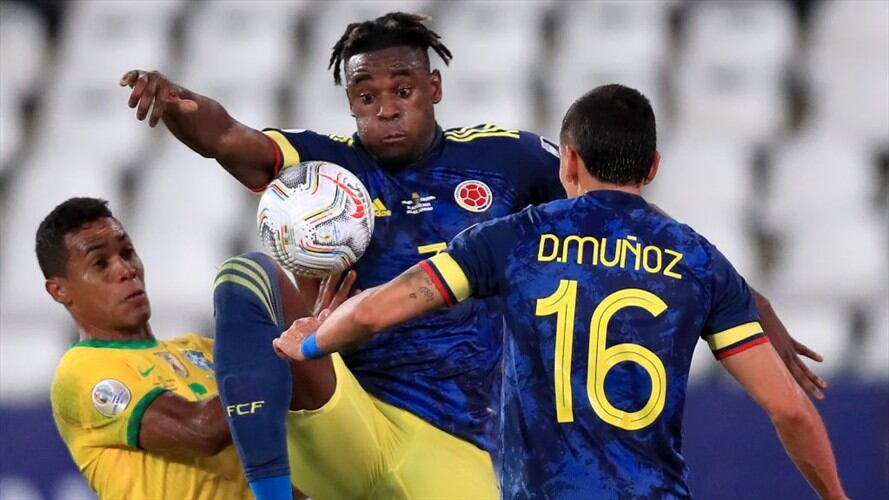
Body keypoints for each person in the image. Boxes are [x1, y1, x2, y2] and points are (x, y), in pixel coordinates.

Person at [120, 12, 826, 499]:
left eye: (401, 90)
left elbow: (636, 223)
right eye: (366, 96)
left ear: (433, 89)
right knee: (245, 276)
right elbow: (229, 138)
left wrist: (753, 309)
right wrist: (177, 105)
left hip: (476, 437)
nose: (385, 108)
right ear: (349, 101)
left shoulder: (506, 158)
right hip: (359, 412)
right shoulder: (325, 168)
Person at [274, 85, 847, 500]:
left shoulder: (513, 238)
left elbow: (377, 311)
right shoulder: (698, 260)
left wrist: (311, 342)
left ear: (568, 160)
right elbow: (789, 410)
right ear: (652, 166)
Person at [41, 197, 251, 499]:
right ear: (59, 290)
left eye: (128, 252)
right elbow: (201, 429)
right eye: (100, 263)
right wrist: (279, 361)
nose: (125, 269)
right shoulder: (80, 372)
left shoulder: (202, 350)